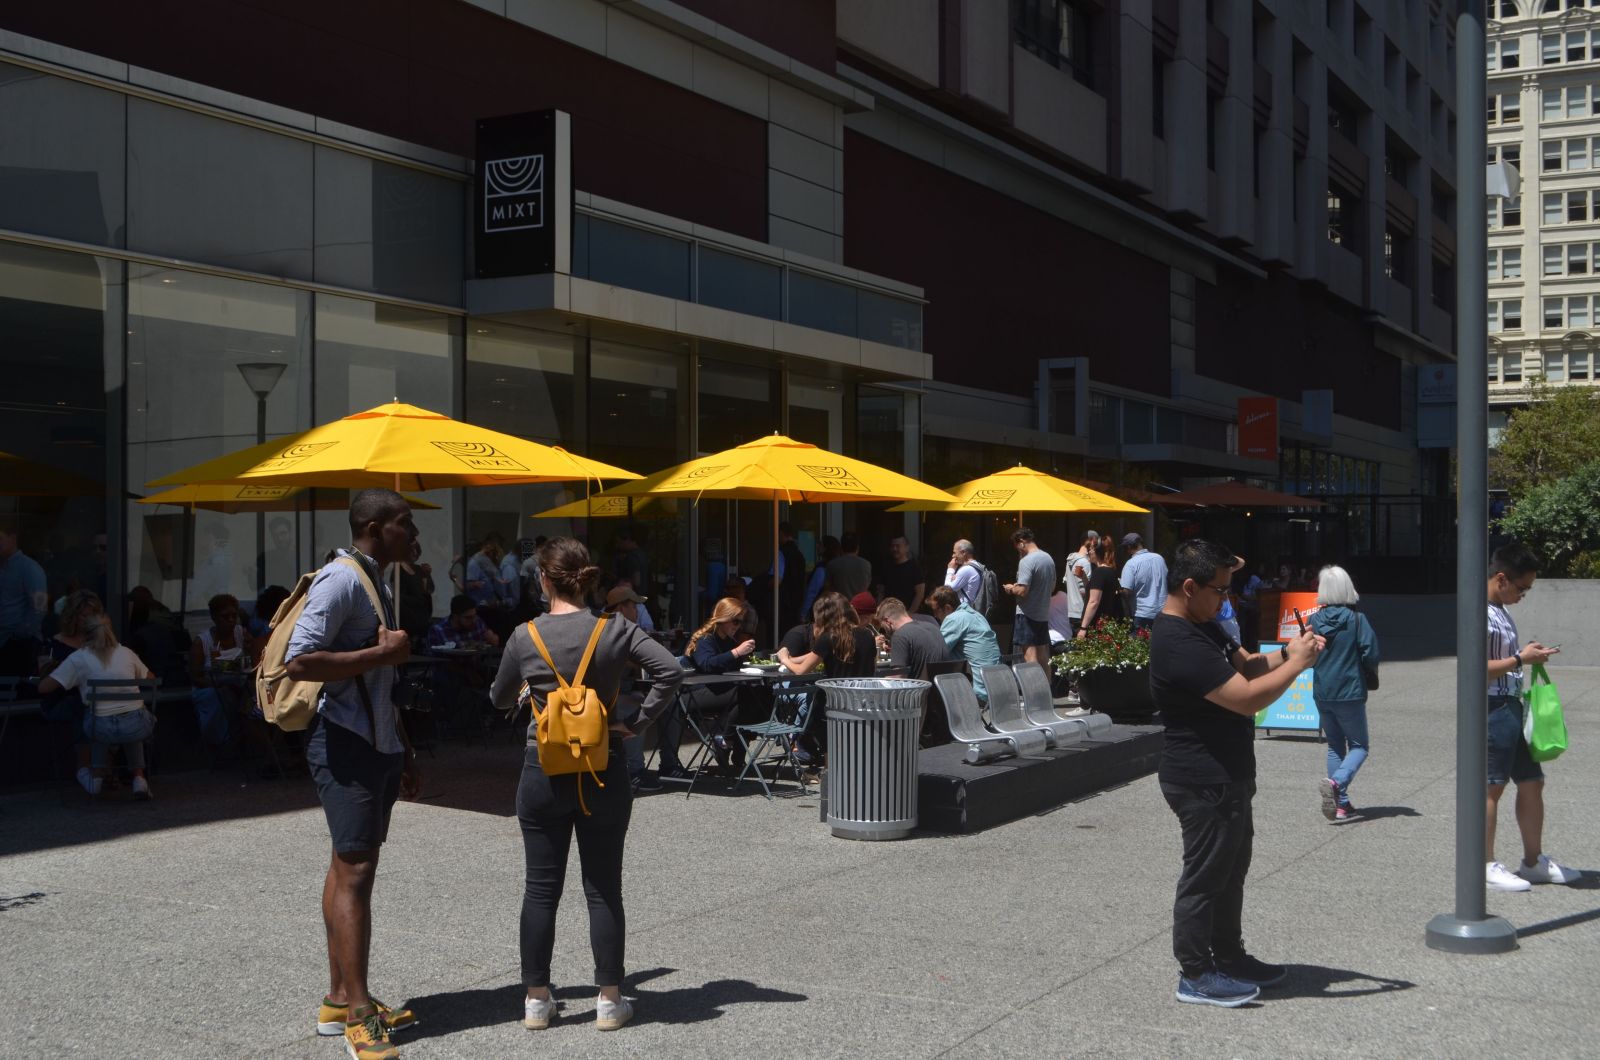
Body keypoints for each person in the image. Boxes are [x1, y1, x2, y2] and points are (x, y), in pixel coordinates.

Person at [490, 537, 682, 1032]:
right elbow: (670, 670)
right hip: (604, 766)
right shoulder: (615, 628)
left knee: (540, 889)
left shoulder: (523, 635)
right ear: (588, 580)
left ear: (544, 580)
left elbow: (497, 698)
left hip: (542, 769)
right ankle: (608, 1000)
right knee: (603, 889)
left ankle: (536, 999)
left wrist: (532, 691)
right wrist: (635, 722)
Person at [1151, 538, 1323, 1008]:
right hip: (1201, 778)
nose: (1227, 599)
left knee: (1230, 872)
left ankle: (1228, 955)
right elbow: (1246, 697)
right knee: (1205, 877)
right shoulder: (1177, 640)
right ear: (1189, 587)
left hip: (1226, 774)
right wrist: (1299, 667)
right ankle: (1196, 973)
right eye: (1220, 590)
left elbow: (1247, 665)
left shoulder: (1206, 625)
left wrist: (1290, 652)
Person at [284, 489, 421, 1060]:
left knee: (348, 864)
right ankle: (360, 1016)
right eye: (402, 523)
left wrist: (403, 749)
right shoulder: (341, 580)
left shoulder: (377, 579)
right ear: (372, 525)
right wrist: (382, 656)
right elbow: (300, 658)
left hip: (374, 741)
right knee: (357, 868)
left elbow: (379, 681)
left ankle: (340, 997)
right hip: (343, 741)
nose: (412, 534)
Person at [1482, 544, 1577, 892]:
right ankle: (1486, 863)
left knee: (1532, 780)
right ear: (1501, 578)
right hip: (1492, 707)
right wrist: (1521, 659)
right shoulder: (1480, 613)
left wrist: (1527, 656)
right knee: (1491, 787)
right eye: (1522, 588)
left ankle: (1533, 861)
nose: (1523, 595)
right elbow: (1476, 669)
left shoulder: (1500, 610)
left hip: (1510, 704)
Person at [38, 610, 157, 798]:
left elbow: (44, 688)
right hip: (138, 726)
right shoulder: (126, 653)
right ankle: (139, 778)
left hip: (100, 728)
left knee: (98, 718)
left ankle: (95, 776)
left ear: (83, 634)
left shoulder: (78, 658)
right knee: (131, 714)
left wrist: (51, 670)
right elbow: (151, 679)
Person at [1308, 565, 1380, 824]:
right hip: (1349, 690)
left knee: (1335, 745)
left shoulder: (1313, 620)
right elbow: (1371, 653)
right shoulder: (1357, 620)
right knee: (1359, 745)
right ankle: (1337, 784)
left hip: (1322, 690)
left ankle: (1342, 804)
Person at [681, 597, 759, 772]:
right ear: (724, 618)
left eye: (741, 622)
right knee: (744, 695)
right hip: (695, 693)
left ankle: (736, 745)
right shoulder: (705, 639)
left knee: (760, 693)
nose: (738, 626)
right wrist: (736, 652)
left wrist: (744, 658)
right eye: (735, 621)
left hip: (720, 691)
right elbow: (707, 664)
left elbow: (732, 667)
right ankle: (726, 741)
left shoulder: (728, 641)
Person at [37, 589, 102, 793]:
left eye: (93, 615)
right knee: (82, 706)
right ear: (73, 616)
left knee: (109, 707)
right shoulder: (53, 644)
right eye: (84, 615)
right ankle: (84, 768)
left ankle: (107, 770)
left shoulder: (99, 643)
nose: (88, 620)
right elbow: (44, 678)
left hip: (95, 698)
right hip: (61, 699)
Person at [603, 585, 658, 792]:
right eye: (633, 606)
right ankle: (635, 771)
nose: (637, 611)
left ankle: (670, 764)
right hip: (609, 696)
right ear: (620, 609)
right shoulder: (608, 631)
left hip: (627, 689)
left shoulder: (630, 630)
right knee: (637, 707)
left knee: (671, 704)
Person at [189, 593, 256, 751]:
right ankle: (225, 741)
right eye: (225, 617)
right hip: (210, 689)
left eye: (234, 616)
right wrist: (219, 682)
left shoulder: (242, 634)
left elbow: (251, 665)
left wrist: (248, 650)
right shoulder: (202, 642)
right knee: (224, 698)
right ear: (214, 617)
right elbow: (195, 677)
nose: (231, 620)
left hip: (240, 687)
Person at [928, 585, 1002, 703]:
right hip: (998, 689)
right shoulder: (977, 616)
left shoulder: (954, 618)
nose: (935, 616)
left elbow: (935, 652)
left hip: (978, 693)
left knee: (928, 691)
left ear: (947, 608)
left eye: (935, 611)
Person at [781, 591, 876, 678]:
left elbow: (801, 671)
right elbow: (873, 666)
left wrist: (784, 659)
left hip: (836, 695)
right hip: (864, 694)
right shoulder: (868, 634)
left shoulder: (828, 637)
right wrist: (791, 660)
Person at [0, 516, 47, 678]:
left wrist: (20, 634)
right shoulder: (4, 567)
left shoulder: (29, 568)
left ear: (12, 538)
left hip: (19, 643)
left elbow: (39, 608)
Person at [1002, 527, 1055, 666]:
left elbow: (1022, 591)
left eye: (1017, 548)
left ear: (1021, 542)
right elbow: (1052, 587)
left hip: (1027, 614)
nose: (1018, 551)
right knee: (1043, 655)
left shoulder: (1026, 561)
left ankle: (1034, 688)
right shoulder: (1048, 558)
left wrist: (1011, 588)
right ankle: (1047, 686)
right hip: (1043, 613)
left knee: (1029, 655)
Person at [874, 596, 947, 677]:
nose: (884, 631)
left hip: (919, 688)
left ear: (887, 622)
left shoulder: (900, 636)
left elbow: (897, 678)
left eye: (883, 627)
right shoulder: (933, 628)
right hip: (940, 687)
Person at [1120, 532, 1168, 632]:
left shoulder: (1131, 564)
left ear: (1128, 547)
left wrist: (1118, 589)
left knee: (1140, 645)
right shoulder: (1159, 558)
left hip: (1142, 613)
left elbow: (1126, 591)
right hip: (1163, 612)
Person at [396, 542, 434, 641]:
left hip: (422, 614)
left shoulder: (418, 569)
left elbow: (429, 590)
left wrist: (427, 575)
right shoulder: (398, 571)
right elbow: (398, 596)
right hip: (408, 615)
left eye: (416, 550)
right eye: (411, 550)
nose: (414, 553)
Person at [1063, 530, 1098, 637]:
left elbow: (1065, 581)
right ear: (1092, 541)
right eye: (1096, 544)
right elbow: (1085, 591)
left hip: (1071, 610)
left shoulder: (1070, 560)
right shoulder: (1084, 562)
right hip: (1082, 611)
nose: (1096, 548)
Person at [880, 536, 926, 616]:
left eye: (898, 546)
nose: (894, 549)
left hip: (908, 614)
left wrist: (910, 612)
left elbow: (920, 593)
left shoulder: (914, 568)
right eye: (892, 546)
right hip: (888, 614)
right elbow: (881, 591)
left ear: (906, 548)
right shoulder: (886, 567)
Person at [800, 535, 839, 622]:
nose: (817, 546)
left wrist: (803, 613)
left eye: (820, 544)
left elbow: (812, 592)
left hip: (820, 611)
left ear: (826, 548)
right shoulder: (837, 566)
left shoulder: (822, 568)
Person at [777, 522, 807, 629]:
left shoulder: (781, 553)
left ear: (780, 533)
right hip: (797, 601)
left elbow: (777, 580)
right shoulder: (799, 555)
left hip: (783, 602)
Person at [825, 532, 872, 599]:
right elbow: (867, 586)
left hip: (839, 606)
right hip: (859, 607)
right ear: (857, 548)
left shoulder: (832, 564)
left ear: (841, 548)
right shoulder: (867, 565)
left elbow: (827, 588)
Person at [943, 538, 981, 609]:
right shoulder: (976, 566)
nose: (952, 556)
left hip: (966, 611)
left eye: (954, 553)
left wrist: (950, 569)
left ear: (963, 552)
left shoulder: (967, 569)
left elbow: (947, 590)